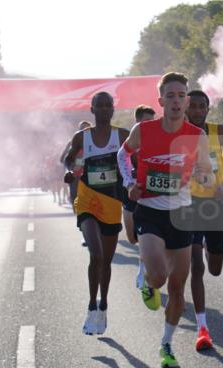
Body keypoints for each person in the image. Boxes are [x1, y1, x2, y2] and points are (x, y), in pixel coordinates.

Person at [117, 72, 213, 368]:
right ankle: (148, 280)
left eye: (181, 95)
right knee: (159, 277)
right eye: (170, 96)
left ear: (186, 100)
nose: (176, 101)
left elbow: (207, 171)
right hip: (150, 211)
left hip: (181, 215)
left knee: (176, 290)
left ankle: (166, 345)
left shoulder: (197, 136)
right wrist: (130, 181)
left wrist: (203, 175)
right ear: (160, 101)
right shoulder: (144, 130)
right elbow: (123, 154)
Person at [64, 92, 130, 336]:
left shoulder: (122, 136)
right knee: (96, 254)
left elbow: (136, 158)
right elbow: (69, 160)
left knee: (107, 261)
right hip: (88, 201)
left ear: (113, 109)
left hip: (112, 203)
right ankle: (92, 305)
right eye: (99, 106)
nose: (103, 109)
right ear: (91, 110)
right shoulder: (82, 137)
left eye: (107, 105)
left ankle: (104, 304)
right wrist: (71, 171)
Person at [184, 89, 223, 351]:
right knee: (196, 266)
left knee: (214, 268)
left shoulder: (220, 132)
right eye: (191, 106)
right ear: (184, 108)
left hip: (214, 205)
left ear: (207, 109)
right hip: (188, 205)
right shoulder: (177, 133)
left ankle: (207, 245)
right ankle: (202, 327)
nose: (195, 111)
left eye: (200, 106)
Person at [123, 105, 157, 290]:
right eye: (146, 121)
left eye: (152, 121)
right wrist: (129, 182)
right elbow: (121, 159)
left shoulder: (160, 140)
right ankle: (143, 262)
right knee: (132, 238)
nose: (150, 124)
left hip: (151, 195)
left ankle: (145, 268)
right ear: (137, 122)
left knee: (148, 235)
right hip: (131, 193)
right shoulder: (130, 140)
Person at [61, 120, 91, 206]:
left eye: (88, 128)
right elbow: (63, 159)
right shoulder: (72, 142)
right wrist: (72, 167)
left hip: (91, 176)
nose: (85, 130)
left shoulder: (96, 141)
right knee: (75, 200)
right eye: (82, 129)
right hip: (76, 176)